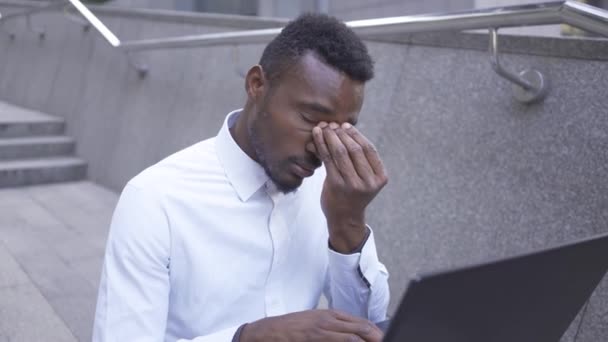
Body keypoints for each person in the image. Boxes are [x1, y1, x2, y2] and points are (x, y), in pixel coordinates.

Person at [93, 13, 390, 342]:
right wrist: (248, 337)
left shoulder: (330, 193)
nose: (322, 147)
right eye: (310, 118)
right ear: (256, 85)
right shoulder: (155, 200)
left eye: (342, 130)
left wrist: (347, 226)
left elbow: (367, 327)